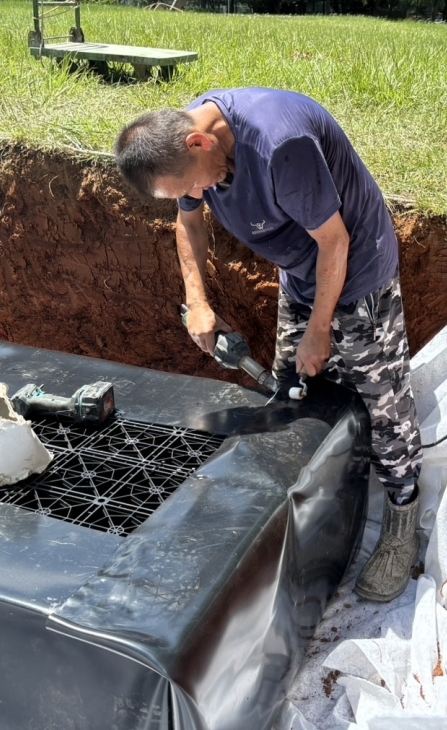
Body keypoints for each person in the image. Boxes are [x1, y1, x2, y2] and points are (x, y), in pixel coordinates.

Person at [114, 88, 423, 603]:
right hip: (301, 274)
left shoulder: (281, 144)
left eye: (194, 184)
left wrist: (320, 330)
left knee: (384, 401)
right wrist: (197, 301)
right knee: (292, 393)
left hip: (357, 270)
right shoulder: (186, 145)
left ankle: (402, 516)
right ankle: (307, 510)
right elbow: (187, 224)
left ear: (197, 141)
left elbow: (336, 242)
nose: (202, 194)